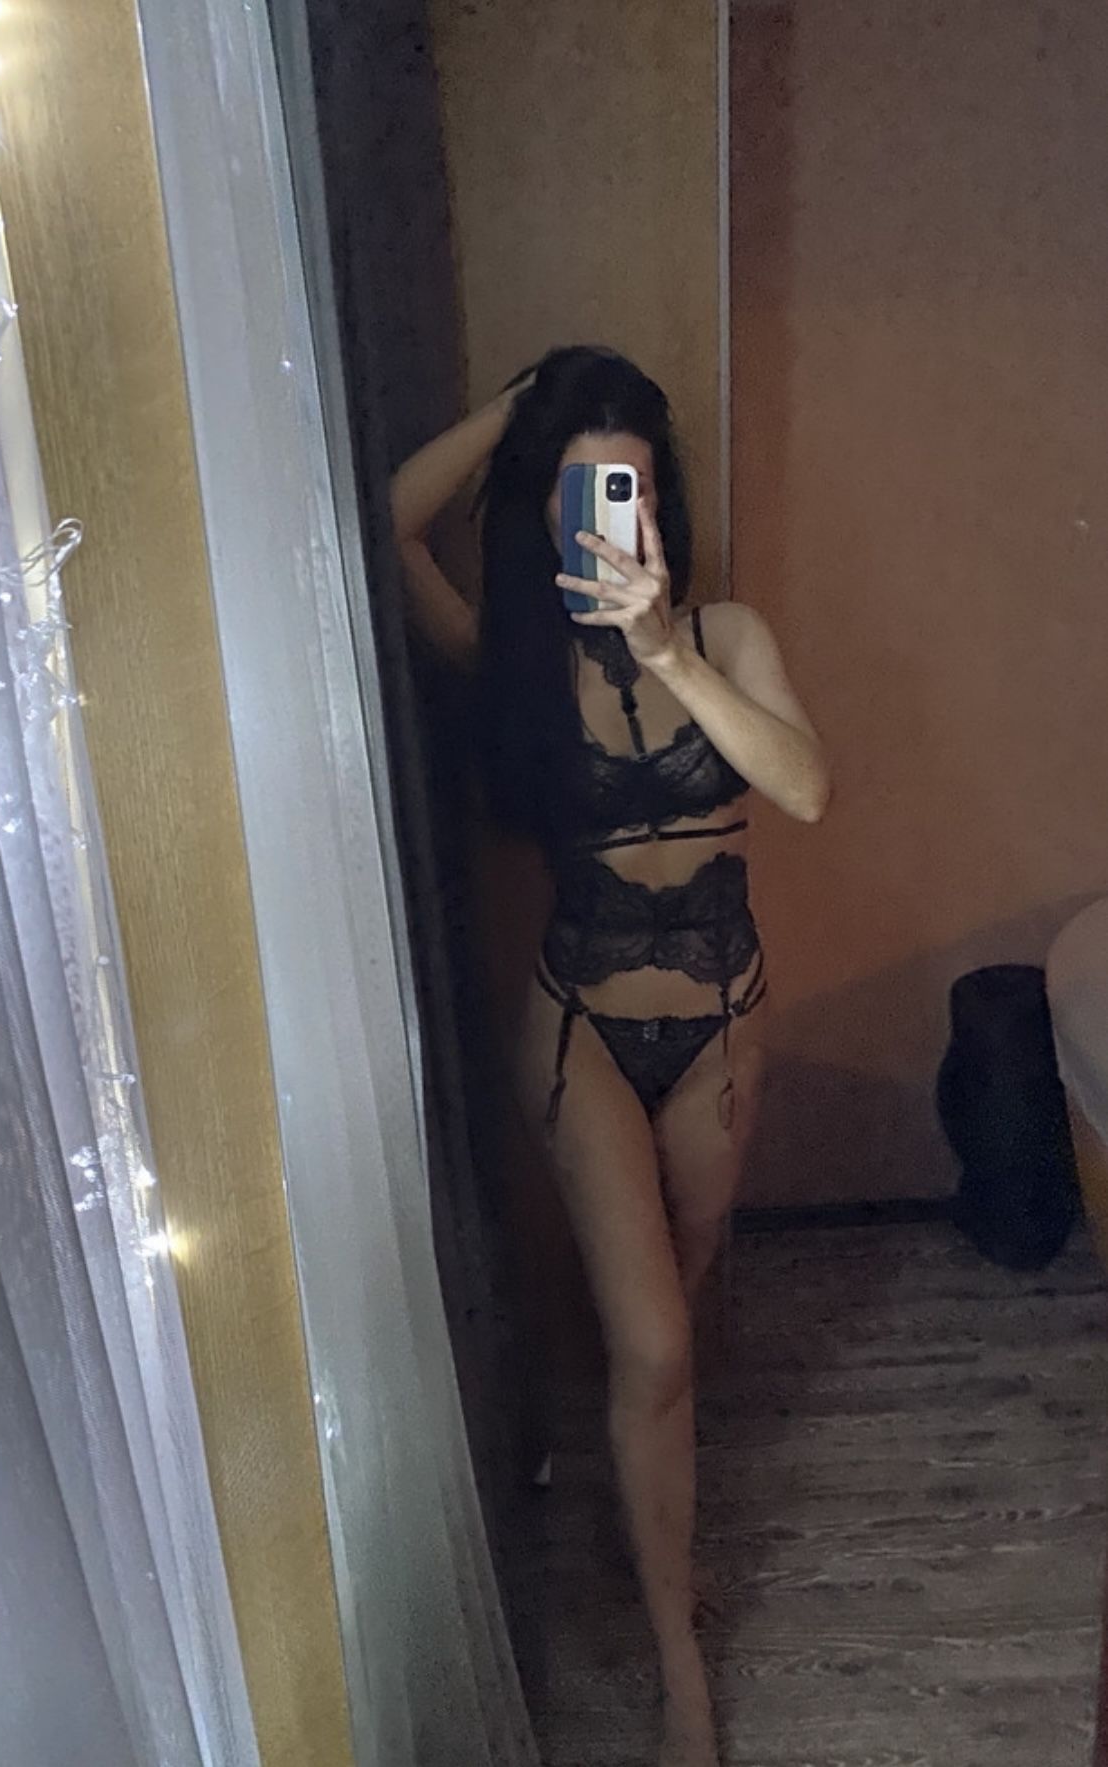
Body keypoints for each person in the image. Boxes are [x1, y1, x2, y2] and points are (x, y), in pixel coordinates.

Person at [391, 346, 830, 1767]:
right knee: (651, 1344)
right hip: (579, 1028)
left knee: (668, 1335)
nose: (607, 520)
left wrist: (665, 653)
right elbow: (393, 522)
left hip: (720, 1028)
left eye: (626, 487)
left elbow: (805, 789)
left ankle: (639, 1518)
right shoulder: (510, 663)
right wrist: (522, 407)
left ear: (660, 504)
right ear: (545, 511)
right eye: (578, 493)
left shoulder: (727, 636)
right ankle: (677, 1664)